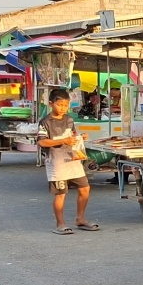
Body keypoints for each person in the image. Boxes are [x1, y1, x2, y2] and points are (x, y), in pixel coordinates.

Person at [37, 88, 98, 234]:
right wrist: (64, 140)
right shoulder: (45, 122)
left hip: (72, 159)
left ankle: (80, 218)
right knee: (60, 194)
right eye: (60, 105)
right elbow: (41, 142)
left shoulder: (69, 119)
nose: (63, 108)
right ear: (51, 103)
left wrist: (80, 137)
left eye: (66, 105)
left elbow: (73, 135)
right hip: (56, 162)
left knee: (85, 188)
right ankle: (60, 224)